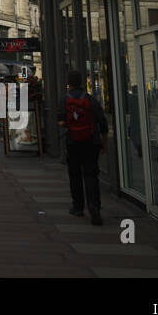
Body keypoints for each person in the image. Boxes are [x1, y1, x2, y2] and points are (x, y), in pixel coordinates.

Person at [58, 70, 108, 225]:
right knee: (91, 175)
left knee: (75, 175)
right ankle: (94, 208)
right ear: (81, 82)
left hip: (73, 142)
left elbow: (60, 122)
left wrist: (70, 123)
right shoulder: (90, 99)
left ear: (68, 83)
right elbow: (103, 123)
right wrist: (104, 143)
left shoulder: (65, 100)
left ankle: (78, 207)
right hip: (91, 143)